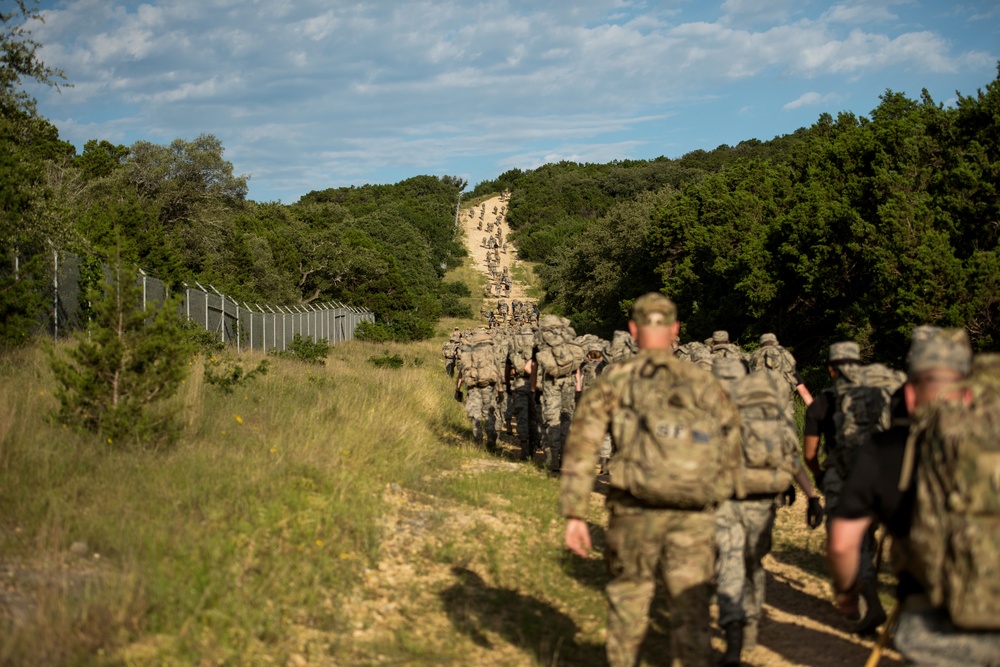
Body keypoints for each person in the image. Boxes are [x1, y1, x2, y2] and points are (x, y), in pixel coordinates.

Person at [560, 293, 745, 667]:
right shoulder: (703, 381)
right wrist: (722, 503)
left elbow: (583, 443)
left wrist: (575, 513)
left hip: (633, 510)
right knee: (691, 613)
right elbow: (733, 447)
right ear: (676, 330)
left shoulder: (617, 379)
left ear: (633, 330)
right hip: (693, 514)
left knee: (629, 602)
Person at [828, 328, 1000, 665]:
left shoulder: (888, 450)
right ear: (968, 394)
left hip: (931, 631)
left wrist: (848, 594)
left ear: (908, 395)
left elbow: (842, 544)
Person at [803, 341, 889, 634]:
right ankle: (865, 595)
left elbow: (810, 454)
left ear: (831, 370)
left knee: (846, 542)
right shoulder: (878, 395)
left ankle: (864, 600)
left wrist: (819, 477)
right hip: (879, 477)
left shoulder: (822, 403)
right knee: (865, 537)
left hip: (843, 479)